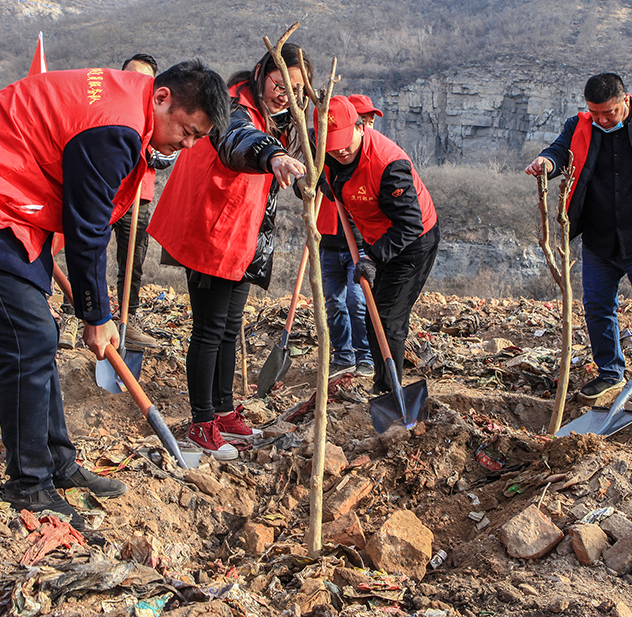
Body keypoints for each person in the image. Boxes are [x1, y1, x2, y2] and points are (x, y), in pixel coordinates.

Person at [0, 62, 230, 526]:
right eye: (185, 131)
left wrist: (90, 309)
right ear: (162, 98)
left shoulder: (130, 105)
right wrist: (97, 315)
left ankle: (59, 465)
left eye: (194, 139)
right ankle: (29, 485)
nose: (184, 146)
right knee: (27, 344)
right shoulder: (116, 128)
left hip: (6, 196)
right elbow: (88, 229)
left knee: (39, 335)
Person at [149, 45, 311, 461]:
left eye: (296, 89)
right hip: (212, 228)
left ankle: (222, 409)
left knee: (228, 325)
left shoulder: (277, 120)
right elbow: (237, 140)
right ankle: (201, 422)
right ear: (261, 73)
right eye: (280, 83)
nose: (284, 94)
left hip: (243, 234)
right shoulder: (234, 106)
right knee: (209, 328)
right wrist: (271, 154)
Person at [524, 73, 632, 420]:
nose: (602, 119)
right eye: (596, 113)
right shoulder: (580, 124)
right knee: (596, 306)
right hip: (599, 238)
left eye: (609, 112)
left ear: (625, 100)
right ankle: (610, 371)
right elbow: (560, 150)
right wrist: (546, 162)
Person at [320, 96, 439, 395]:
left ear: (360, 127)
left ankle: (389, 392)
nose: (341, 150)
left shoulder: (388, 164)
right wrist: (316, 184)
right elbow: (331, 180)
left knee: (386, 319)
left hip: (413, 242)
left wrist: (372, 257)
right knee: (375, 318)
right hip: (379, 238)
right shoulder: (330, 153)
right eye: (332, 145)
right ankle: (385, 388)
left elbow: (409, 224)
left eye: (345, 141)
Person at [59, 53, 171, 350]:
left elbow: (165, 156)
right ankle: (74, 314)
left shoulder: (160, 117)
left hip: (137, 197)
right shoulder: (111, 109)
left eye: (144, 77)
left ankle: (125, 318)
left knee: (132, 262)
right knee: (85, 245)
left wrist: (144, 146)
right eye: (131, 74)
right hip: (103, 192)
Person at [315, 95, 382, 377]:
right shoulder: (330, 151)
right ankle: (343, 356)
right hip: (329, 239)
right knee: (333, 302)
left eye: (370, 118)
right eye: (364, 116)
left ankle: (365, 355)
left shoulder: (369, 153)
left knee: (358, 300)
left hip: (359, 242)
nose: (369, 121)